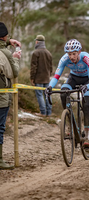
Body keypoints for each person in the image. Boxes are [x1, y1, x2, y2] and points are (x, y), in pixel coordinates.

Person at [46, 39, 89, 147]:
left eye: (74, 54)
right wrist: (50, 87)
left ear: (79, 52)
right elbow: (56, 76)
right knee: (63, 93)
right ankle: (70, 123)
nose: (72, 57)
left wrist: (87, 86)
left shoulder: (86, 58)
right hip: (73, 78)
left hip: (87, 81)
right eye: (69, 54)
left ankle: (87, 134)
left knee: (86, 104)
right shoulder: (64, 59)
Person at [0, 22, 21, 169]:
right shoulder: (6, 54)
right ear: (4, 36)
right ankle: (0, 160)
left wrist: (8, 41)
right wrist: (15, 58)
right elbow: (14, 73)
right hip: (1, 98)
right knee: (0, 128)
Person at [30, 35, 53, 117]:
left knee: (40, 95)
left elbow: (33, 67)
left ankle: (43, 112)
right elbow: (51, 68)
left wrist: (32, 78)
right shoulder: (48, 53)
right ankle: (49, 113)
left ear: (37, 42)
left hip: (38, 79)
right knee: (47, 95)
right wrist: (49, 75)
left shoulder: (35, 53)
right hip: (47, 78)